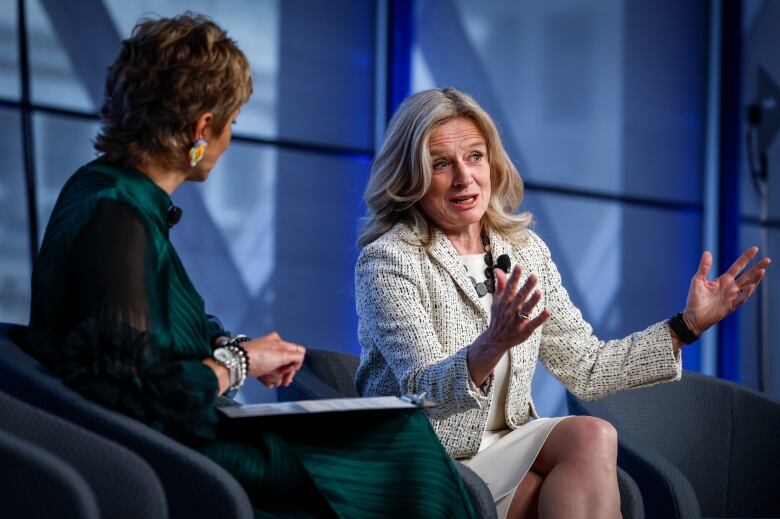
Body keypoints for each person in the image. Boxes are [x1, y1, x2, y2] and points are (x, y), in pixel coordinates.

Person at [25, 16, 476, 518]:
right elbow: (138, 390)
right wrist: (237, 365)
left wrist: (232, 346)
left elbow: (149, 333)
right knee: (401, 447)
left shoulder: (108, 192)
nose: (229, 138)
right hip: (180, 449)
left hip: (175, 437)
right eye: (232, 122)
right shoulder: (118, 216)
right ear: (202, 127)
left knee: (396, 438)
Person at [354, 87, 771, 519]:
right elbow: (422, 391)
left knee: (593, 434)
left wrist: (686, 326)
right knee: (542, 495)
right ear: (411, 176)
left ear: (492, 163)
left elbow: (588, 368)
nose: (465, 178)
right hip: (424, 450)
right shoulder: (390, 260)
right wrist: (491, 344)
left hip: (504, 440)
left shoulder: (524, 250)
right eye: (441, 164)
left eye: (475, 157)